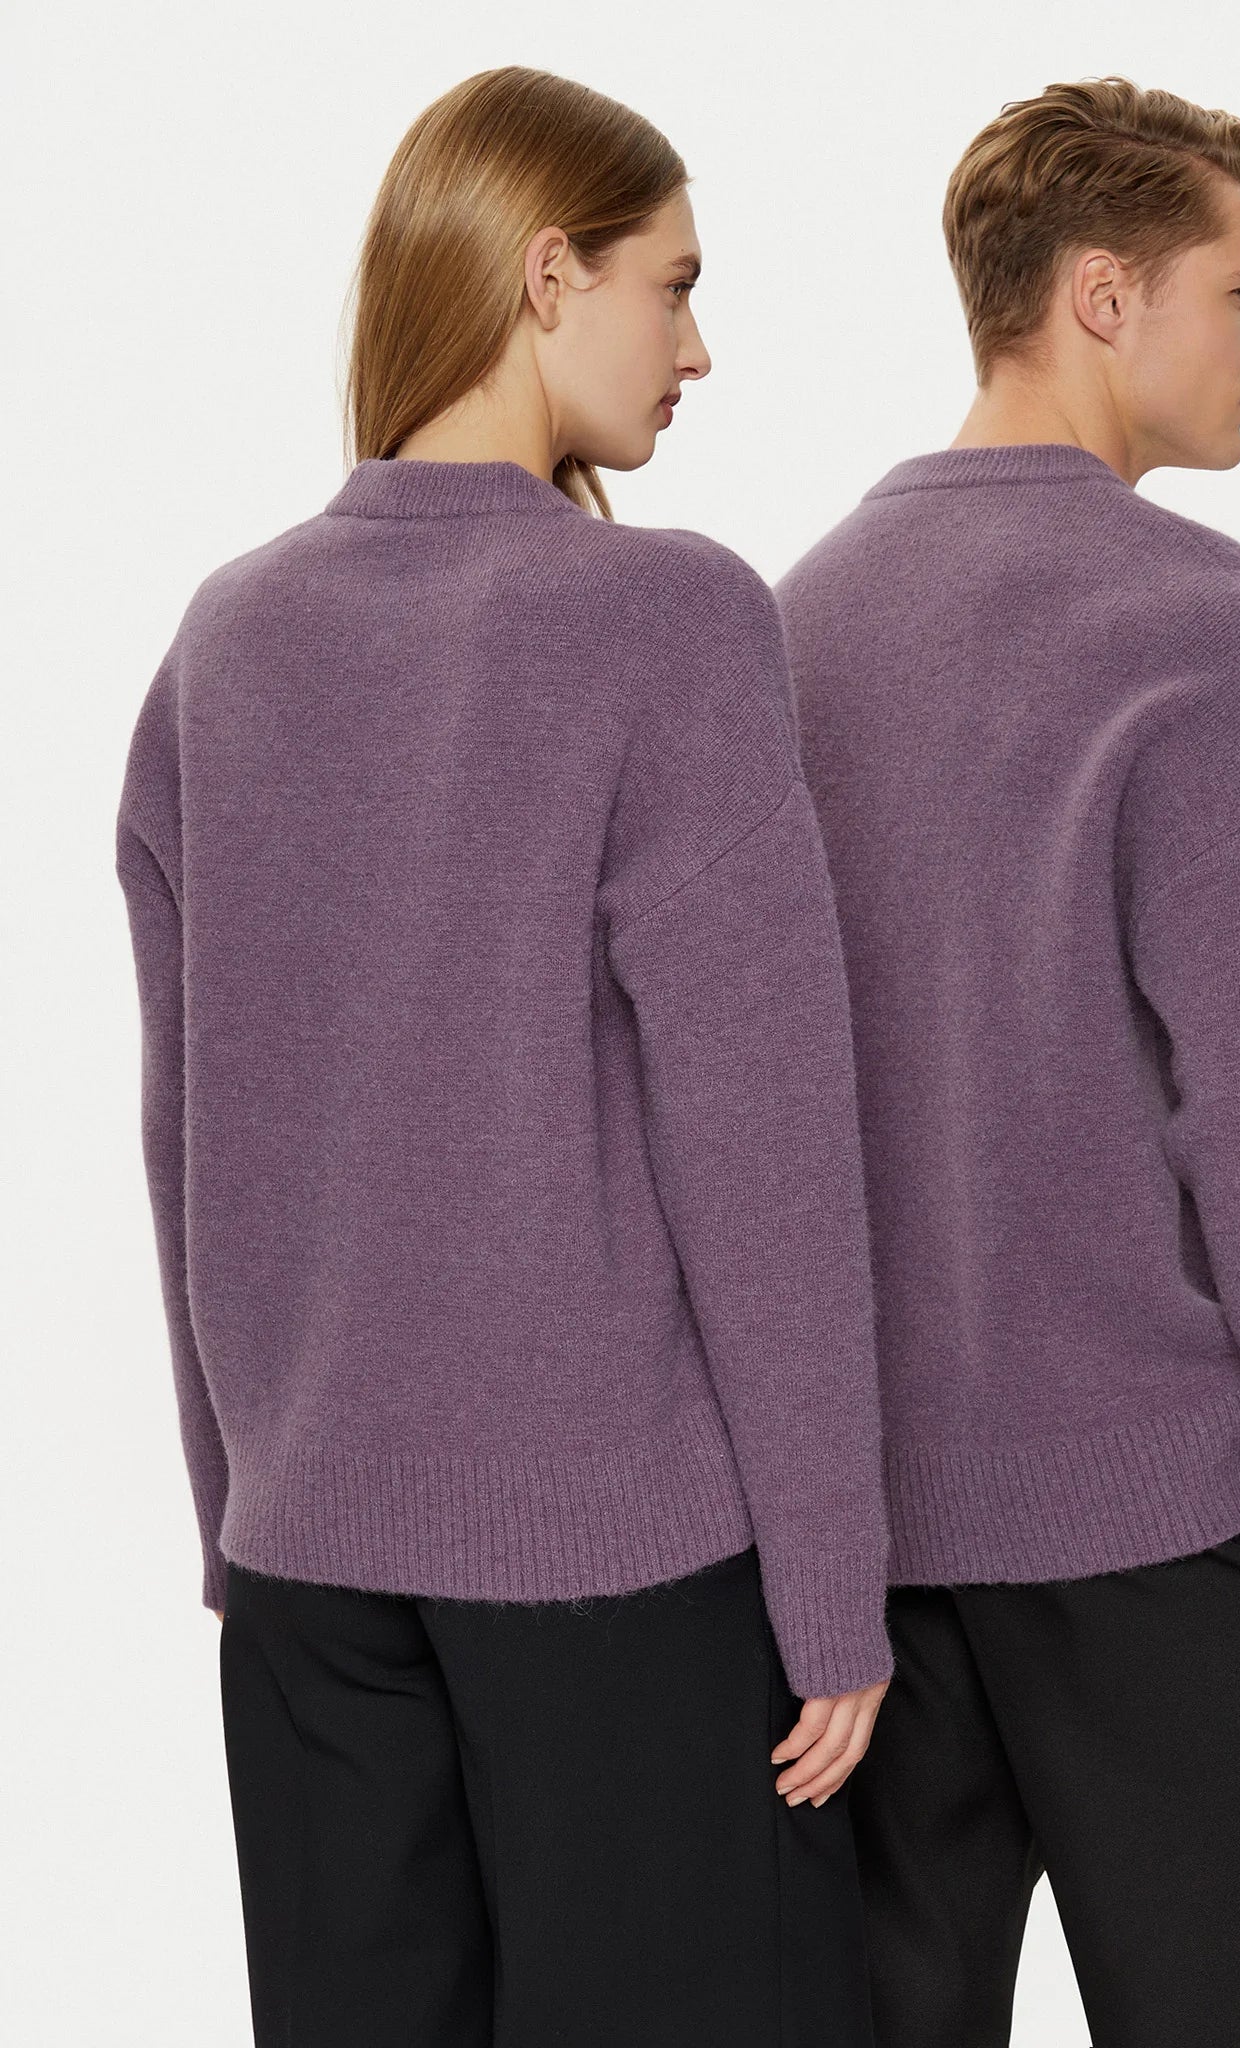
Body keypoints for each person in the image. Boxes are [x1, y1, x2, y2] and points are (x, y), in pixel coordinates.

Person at [114, 65, 892, 2047]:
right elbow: (767, 1148)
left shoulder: (227, 638)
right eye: (673, 285)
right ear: (549, 275)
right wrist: (836, 1588)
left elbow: (192, 1129)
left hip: (308, 1578)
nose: (698, 349)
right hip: (615, 1585)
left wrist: (240, 1513)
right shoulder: (664, 617)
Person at [772, 75, 1240, 2048]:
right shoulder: (1210, 628)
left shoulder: (793, 624)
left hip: (867, 1576)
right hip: (1174, 1527)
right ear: (1100, 295)